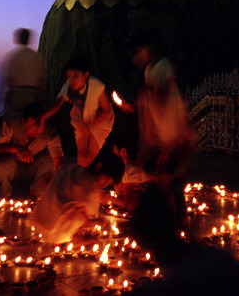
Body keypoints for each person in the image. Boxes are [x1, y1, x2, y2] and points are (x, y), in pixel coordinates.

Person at [128, 29, 196, 223]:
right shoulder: (149, 71)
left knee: (172, 180)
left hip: (176, 135)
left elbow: (164, 92)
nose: (135, 59)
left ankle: (178, 221)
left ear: (149, 49)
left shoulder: (163, 66)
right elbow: (152, 100)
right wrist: (135, 104)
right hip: (163, 136)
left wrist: (146, 93)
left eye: (137, 52)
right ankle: (168, 219)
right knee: (162, 179)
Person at [31, 154, 124, 243]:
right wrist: (98, 221)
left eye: (108, 184)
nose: (104, 185)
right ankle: (74, 240)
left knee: (75, 206)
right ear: (98, 167)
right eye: (106, 181)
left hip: (38, 219)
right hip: (55, 232)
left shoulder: (70, 168)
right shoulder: (92, 188)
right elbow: (89, 219)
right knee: (82, 213)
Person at [42, 56, 114, 168]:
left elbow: (107, 110)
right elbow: (57, 104)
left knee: (90, 157)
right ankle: (76, 180)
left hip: (100, 119)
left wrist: (91, 124)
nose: (71, 80)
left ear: (85, 75)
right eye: (69, 76)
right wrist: (42, 118)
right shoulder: (68, 87)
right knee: (80, 158)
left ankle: (89, 178)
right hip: (81, 117)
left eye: (76, 76)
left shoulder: (96, 87)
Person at [0, 102, 64, 198]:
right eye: (32, 125)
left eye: (40, 124)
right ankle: (4, 198)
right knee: (1, 166)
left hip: (32, 169)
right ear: (24, 121)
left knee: (50, 158)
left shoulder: (50, 134)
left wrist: (59, 181)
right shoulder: (12, 124)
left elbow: (59, 162)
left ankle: (35, 195)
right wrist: (16, 148)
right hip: (13, 167)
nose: (37, 129)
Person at [0, 28, 43, 117]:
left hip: (16, 94)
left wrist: (1, 93)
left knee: (12, 120)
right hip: (32, 95)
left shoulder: (14, 55)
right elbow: (40, 80)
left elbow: (8, 78)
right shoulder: (36, 57)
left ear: (19, 39)